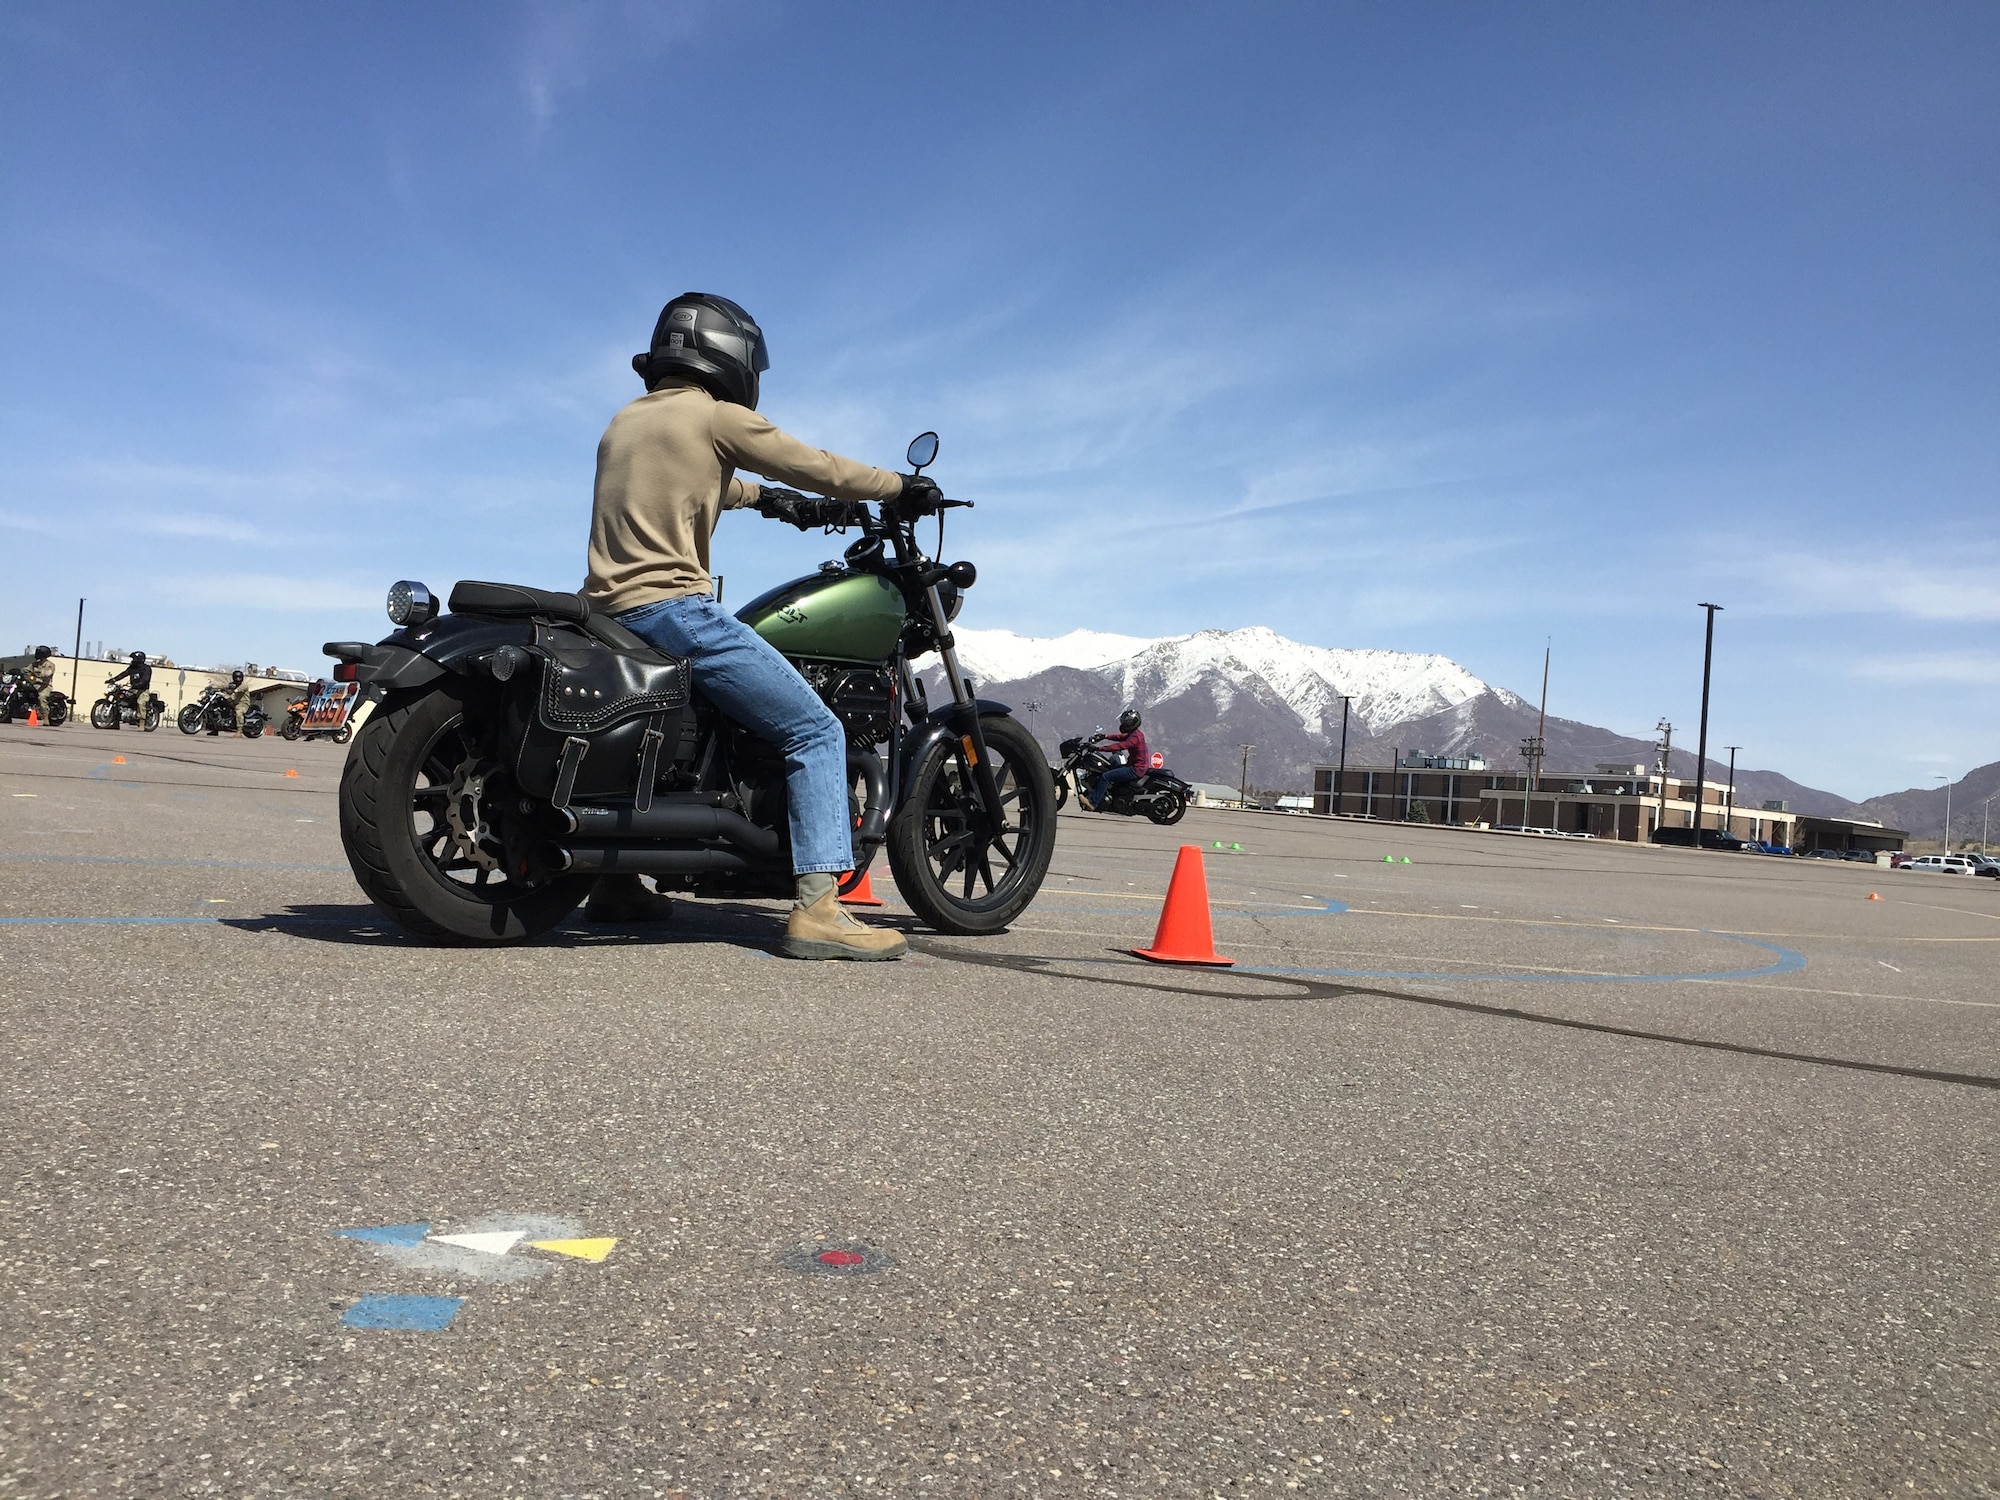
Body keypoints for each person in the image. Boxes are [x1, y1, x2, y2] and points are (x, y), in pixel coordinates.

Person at [578, 292, 934, 959]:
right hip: (672, 609)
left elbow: (701, 481)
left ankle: (615, 885)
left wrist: (769, 501)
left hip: (602, 612)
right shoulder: (717, 417)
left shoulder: (627, 422)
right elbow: (814, 463)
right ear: (730, 355)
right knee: (815, 729)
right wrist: (895, 487)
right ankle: (820, 908)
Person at [1088, 709, 1149, 810]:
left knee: (1105, 776)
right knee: (1109, 768)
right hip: (1134, 766)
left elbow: (1120, 746)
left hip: (1135, 769)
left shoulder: (1135, 737)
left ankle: (1093, 803)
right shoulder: (1135, 734)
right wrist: (1105, 736)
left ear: (1132, 722)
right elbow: (1120, 737)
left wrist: (1099, 748)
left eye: (1126, 722)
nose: (1124, 724)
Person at [104, 652, 151, 730]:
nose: (133, 660)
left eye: (134, 659)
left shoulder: (146, 668)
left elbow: (146, 679)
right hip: (133, 689)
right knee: (119, 699)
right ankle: (115, 722)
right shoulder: (132, 668)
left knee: (141, 702)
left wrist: (139, 684)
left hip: (143, 690)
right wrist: (113, 680)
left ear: (139, 659)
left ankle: (142, 723)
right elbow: (124, 674)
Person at [24, 646, 60, 725]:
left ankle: (45, 717)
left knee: (41, 697)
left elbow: (47, 674)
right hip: (34, 684)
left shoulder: (50, 665)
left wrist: (35, 675)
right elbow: (26, 669)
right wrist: (23, 672)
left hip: (44, 686)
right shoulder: (35, 664)